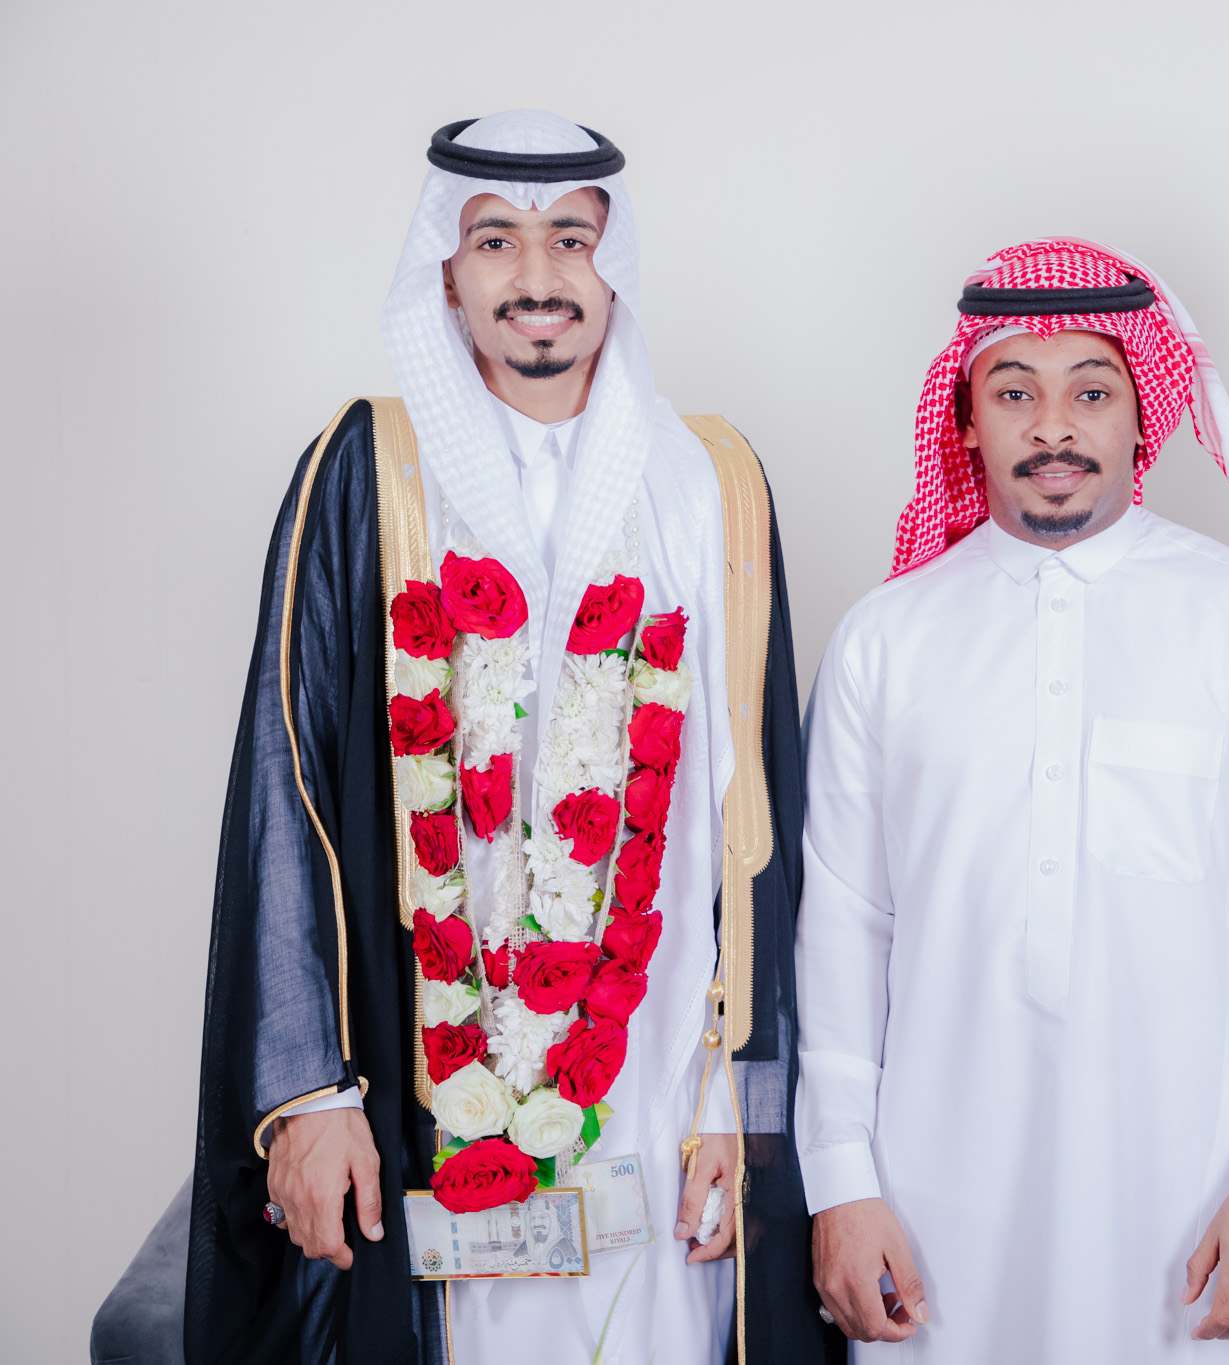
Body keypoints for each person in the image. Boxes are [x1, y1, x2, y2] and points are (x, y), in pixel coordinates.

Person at [181, 110, 834, 1365]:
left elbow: (760, 818)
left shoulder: (709, 482)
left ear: (613, 265)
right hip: (426, 1084)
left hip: (657, 1089)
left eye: (571, 240)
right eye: (495, 241)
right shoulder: (368, 469)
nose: (538, 277)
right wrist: (308, 1091)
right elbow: (286, 781)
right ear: (446, 272)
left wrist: (742, 1108)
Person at [793, 238, 1229, 1361]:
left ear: (1140, 415)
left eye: (1091, 392)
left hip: (1205, 1213)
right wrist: (841, 1183)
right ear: (966, 420)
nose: (1053, 427)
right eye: (1014, 392)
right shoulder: (884, 641)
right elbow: (842, 931)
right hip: (930, 1224)